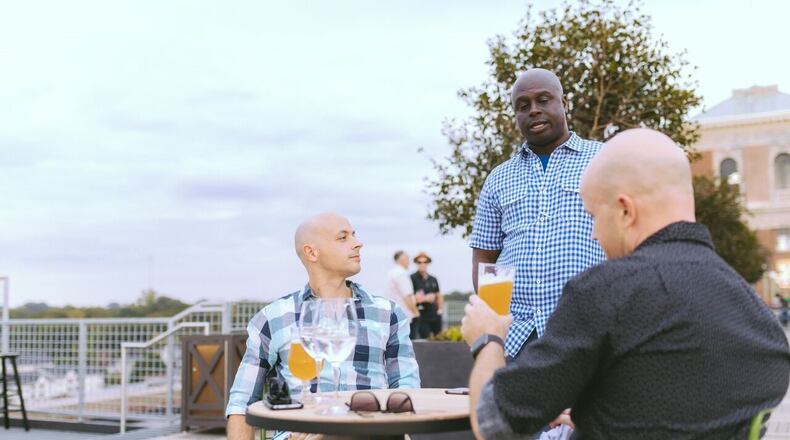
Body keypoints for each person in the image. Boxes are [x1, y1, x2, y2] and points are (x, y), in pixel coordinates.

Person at [461, 128, 790, 439]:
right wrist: (601, 412)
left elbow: (492, 423)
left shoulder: (604, 293)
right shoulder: (762, 324)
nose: (593, 233)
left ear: (625, 211)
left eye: (593, 215)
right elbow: (683, 409)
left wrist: (489, 339)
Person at [226, 213, 420, 440]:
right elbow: (241, 403)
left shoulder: (388, 314)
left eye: (354, 235)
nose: (358, 243)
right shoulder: (273, 318)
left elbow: (407, 392)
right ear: (311, 252)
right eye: (343, 237)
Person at [469, 68, 605, 362]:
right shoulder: (499, 178)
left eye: (543, 100)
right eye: (523, 105)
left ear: (565, 103)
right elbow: (485, 258)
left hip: (589, 332)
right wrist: (494, 322)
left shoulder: (604, 160)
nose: (533, 111)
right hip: (517, 340)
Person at [386, 250, 420, 338]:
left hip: (394, 314)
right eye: (407, 258)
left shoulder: (391, 273)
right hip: (404, 316)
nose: (409, 261)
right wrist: (416, 312)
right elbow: (407, 297)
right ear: (402, 260)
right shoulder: (401, 274)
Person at [410, 252, 444, 338]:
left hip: (434, 313)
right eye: (419, 262)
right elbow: (411, 298)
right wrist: (426, 298)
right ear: (416, 263)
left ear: (428, 263)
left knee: (439, 338)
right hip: (421, 315)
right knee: (425, 340)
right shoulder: (412, 278)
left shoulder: (433, 279)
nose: (422, 264)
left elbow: (438, 295)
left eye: (425, 262)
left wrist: (440, 309)